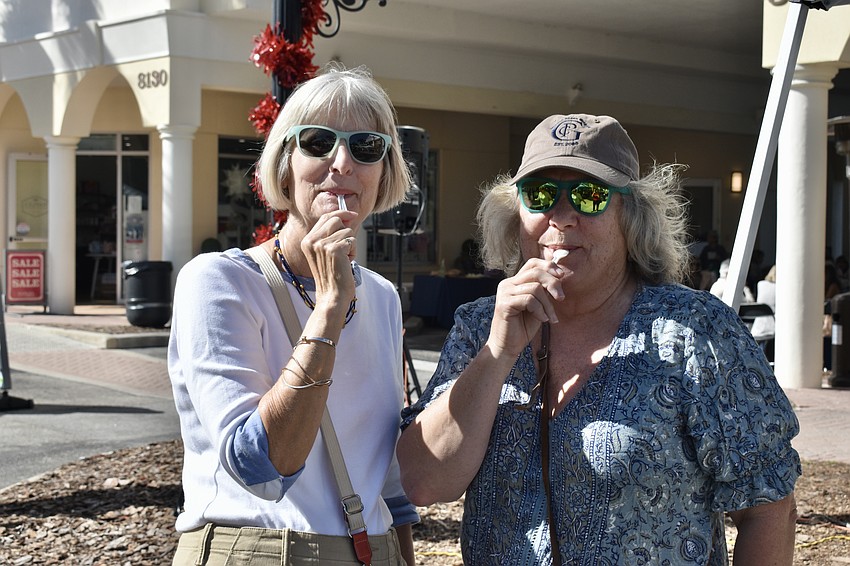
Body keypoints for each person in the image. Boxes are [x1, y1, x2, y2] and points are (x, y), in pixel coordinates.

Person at [397, 113, 800, 565]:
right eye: (541, 194)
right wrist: (498, 353)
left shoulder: (695, 332)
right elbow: (422, 482)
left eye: (590, 196)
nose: (563, 217)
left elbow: (770, 509)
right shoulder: (478, 328)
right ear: (515, 213)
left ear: (631, 216)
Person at [169, 64, 417, 565]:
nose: (342, 162)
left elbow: (385, 480)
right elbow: (261, 466)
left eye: (366, 147)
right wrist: (328, 307)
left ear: (384, 173)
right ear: (285, 165)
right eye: (319, 141)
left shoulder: (383, 298)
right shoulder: (220, 282)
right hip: (259, 550)